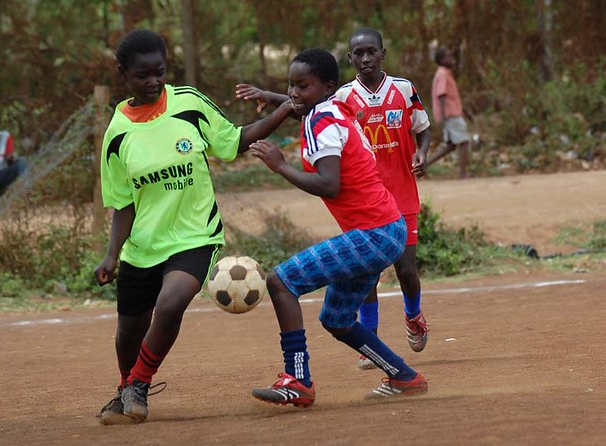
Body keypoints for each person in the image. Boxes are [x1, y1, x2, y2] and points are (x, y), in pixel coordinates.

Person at [94, 29, 293, 425]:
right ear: (124, 75)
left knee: (171, 304)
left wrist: (284, 109)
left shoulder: (188, 104)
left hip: (195, 235)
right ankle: (125, 388)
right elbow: (123, 205)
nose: (153, 82)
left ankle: (139, 385)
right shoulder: (117, 135)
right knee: (128, 333)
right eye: (142, 75)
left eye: (159, 72)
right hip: (143, 245)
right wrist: (112, 255)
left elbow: (234, 141)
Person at [235, 28, 431, 371]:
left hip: (382, 220)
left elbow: (329, 184)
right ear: (351, 60)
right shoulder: (337, 104)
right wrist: (273, 98)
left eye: (302, 86)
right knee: (337, 316)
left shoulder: (339, 111)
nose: (294, 92)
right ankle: (400, 372)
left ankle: (300, 378)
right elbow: (300, 105)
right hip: (379, 221)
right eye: (291, 86)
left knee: (282, 282)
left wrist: (280, 166)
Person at [427, 46, 471, 178]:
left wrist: (465, 111)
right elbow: (442, 95)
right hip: (450, 114)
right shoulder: (442, 74)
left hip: (452, 112)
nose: (452, 59)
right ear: (441, 60)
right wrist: (444, 116)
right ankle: (463, 173)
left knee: (451, 146)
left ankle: (424, 166)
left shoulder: (445, 73)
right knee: (464, 141)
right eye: (448, 57)